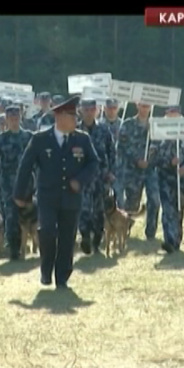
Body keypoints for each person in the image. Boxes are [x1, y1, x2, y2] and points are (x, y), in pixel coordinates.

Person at [14, 95, 99, 289]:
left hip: (71, 198)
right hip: (47, 197)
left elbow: (94, 163)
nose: (76, 120)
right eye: (73, 116)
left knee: (68, 237)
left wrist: (80, 180)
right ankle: (46, 270)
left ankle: (62, 277)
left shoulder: (82, 139)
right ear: (60, 117)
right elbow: (25, 166)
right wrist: (20, 195)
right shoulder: (40, 139)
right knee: (48, 232)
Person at [0, 105, 34, 259]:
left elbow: (38, 161)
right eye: (11, 118)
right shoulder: (0, 139)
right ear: (6, 119)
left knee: (27, 215)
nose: (14, 120)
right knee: (11, 215)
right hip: (6, 184)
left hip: (26, 183)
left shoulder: (28, 137)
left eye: (16, 117)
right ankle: (13, 247)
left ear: (20, 118)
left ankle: (25, 245)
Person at [153, 105, 184, 253]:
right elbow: (153, 156)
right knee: (168, 209)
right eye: (170, 113)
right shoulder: (159, 132)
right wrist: (169, 162)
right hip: (165, 176)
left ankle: (177, 239)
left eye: (175, 113)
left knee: (179, 210)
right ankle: (169, 241)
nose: (173, 116)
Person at [76, 98, 116, 254]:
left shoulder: (104, 130)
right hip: (82, 177)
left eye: (91, 110)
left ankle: (97, 239)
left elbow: (112, 152)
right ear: (80, 111)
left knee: (99, 210)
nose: (88, 113)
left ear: (96, 111)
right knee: (83, 208)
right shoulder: (75, 130)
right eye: (85, 110)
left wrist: (112, 172)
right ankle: (85, 236)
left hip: (101, 176)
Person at [117, 100, 161, 240]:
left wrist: (150, 159)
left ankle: (150, 233)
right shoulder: (128, 124)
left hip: (150, 170)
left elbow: (160, 146)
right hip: (132, 170)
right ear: (137, 105)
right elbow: (123, 145)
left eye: (148, 104)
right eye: (142, 104)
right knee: (132, 202)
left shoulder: (156, 126)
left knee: (154, 200)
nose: (145, 107)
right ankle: (125, 228)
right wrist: (137, 160)